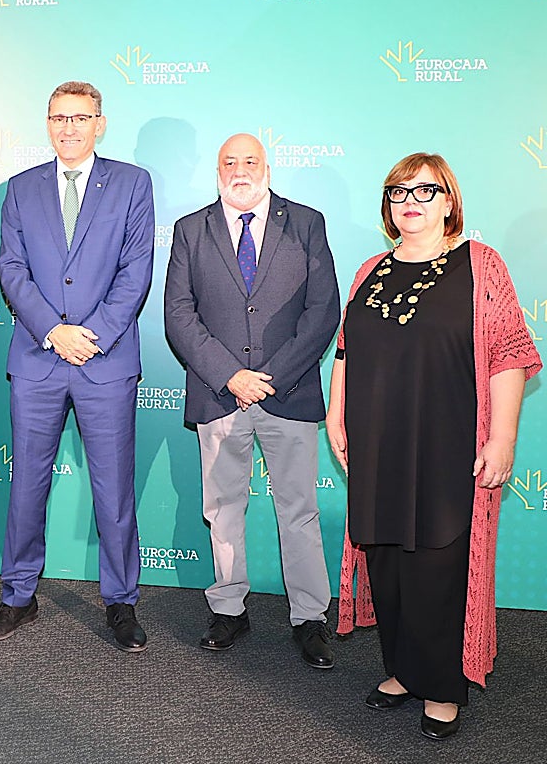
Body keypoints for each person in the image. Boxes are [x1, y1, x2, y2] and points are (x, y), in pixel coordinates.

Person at [330, 153, 541, 739]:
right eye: (399, 192)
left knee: (439, 565)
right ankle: (401, 670)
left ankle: (441, 686)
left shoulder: (480, 265)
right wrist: (335, 413)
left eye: (424, 191)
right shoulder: (370, 268)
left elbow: (509, 356)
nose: (410, 202)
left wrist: (503, 438)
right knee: (388, 559)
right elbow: (347, 348)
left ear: (449, 200)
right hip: (377, 444)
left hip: (451, 445)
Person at [0, 81, 155, 652]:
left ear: (100, 123)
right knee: (26, 484)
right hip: (38, 358)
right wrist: (53, 331)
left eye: (81, 118)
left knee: (115, 489)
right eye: (59, 117)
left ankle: (122, 602)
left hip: (106, 361)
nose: (69, 128)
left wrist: (94, 335)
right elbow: (10, 269)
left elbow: (136, 269)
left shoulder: (132, 183)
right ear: (47, 123)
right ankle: (17, 596)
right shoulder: (21, 188)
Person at [163, 132, 340, 667]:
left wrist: (268, 376)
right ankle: (229, 609)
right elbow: (178, 315)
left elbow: (322, 311)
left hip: (287, 393)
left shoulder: (306, 223)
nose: (240, 170)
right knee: (222, 510)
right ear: (217, 169)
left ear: (268, 166)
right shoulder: (190, 229)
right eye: (229, 162)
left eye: (250, 161)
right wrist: (230, 376)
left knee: (299, 511)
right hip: (221, 396)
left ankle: (310, 617)